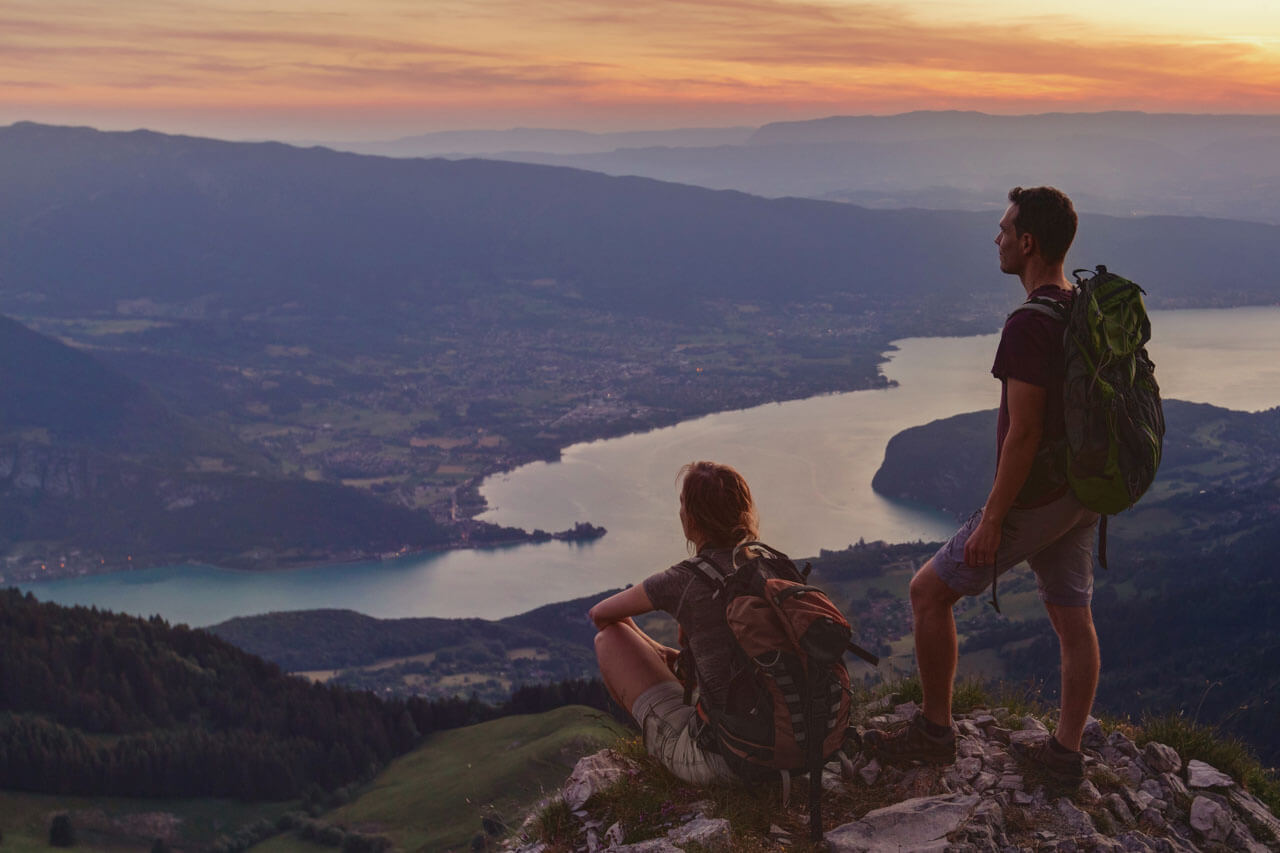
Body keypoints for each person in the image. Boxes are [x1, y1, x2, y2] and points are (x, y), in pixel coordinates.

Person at [864, 186, 1100, 784]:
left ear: (1028, 243)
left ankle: (935, 732)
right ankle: (1065, 757)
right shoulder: (1079, 306)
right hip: (1081, 492)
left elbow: (1023, 434)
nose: (995, 239)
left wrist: (994, 517)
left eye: (1003, 230)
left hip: (1038, 496)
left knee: (927, 593)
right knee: (1074, 619)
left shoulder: (1027, 323)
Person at [589, 461, 757, 786]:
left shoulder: (684, 579)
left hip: (727, 762)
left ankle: (660, 751)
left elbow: (602, 616)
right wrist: (668, 654)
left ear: (691, 518)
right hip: (804, 744)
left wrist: (650, 648)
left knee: (608, 638)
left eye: (682, 503)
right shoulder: (771, 567)